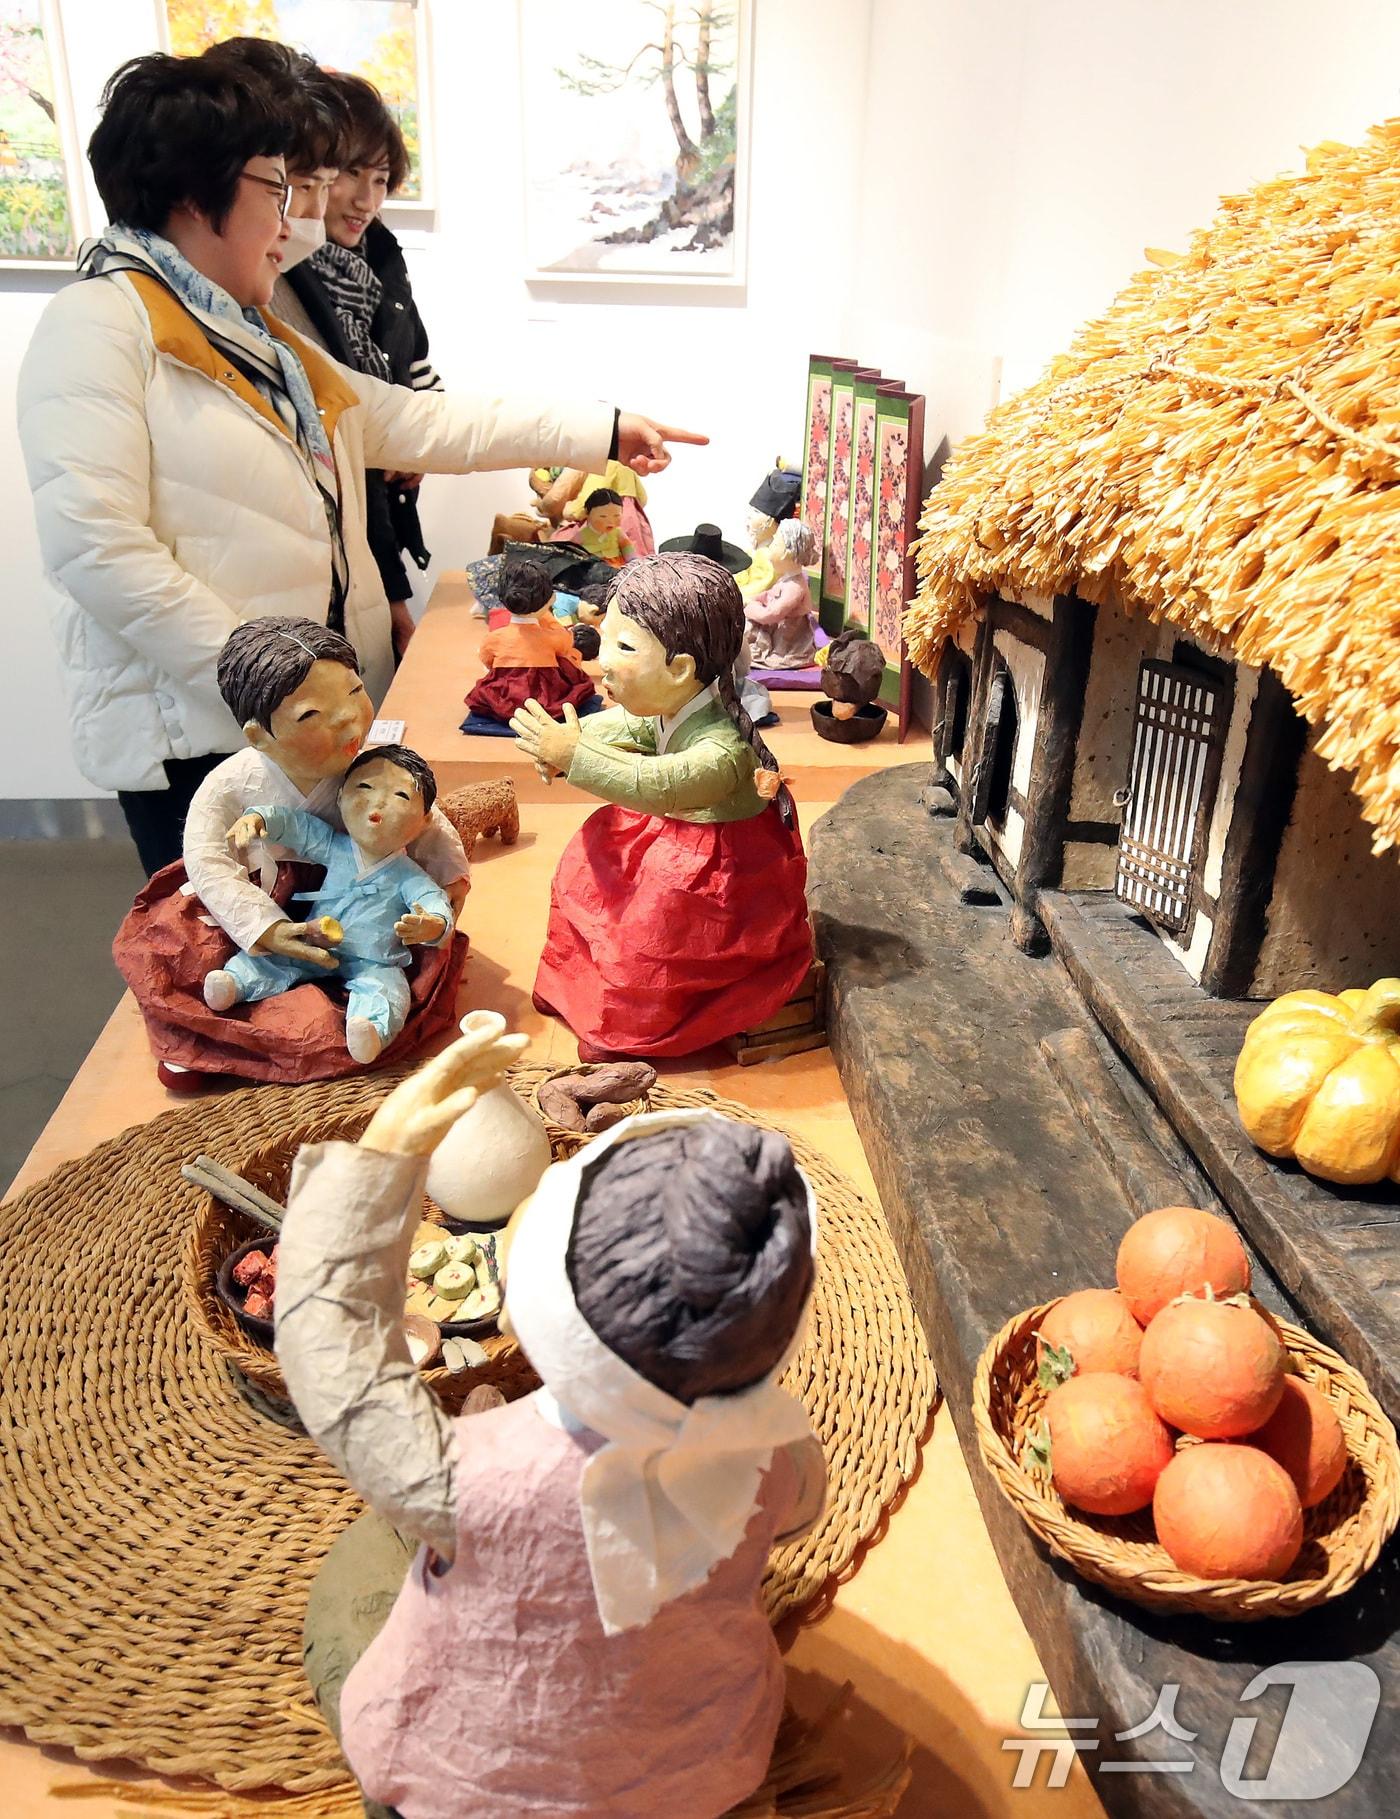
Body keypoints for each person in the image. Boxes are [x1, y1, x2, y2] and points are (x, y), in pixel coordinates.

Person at [16, 50, 704, 876]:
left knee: (343, 935)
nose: (290, 222)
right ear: (196, 196)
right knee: (236, 961)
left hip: (306, 720)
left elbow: (420, 421)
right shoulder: (99, 326)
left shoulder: (254, 336)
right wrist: (285, 687)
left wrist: (604, 427)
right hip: (209, 737)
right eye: (276, 190)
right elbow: (99, 553)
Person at [281, 1013, 825, 1819]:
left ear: (546, 1298)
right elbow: (794, 1519)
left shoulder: (464, 1474)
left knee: (360, 1569)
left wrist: (382, 1156)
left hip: (476, 1787)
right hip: (694, 1775)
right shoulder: (780, 1449)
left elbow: (333, 1356)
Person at [512, 554, 814, 1060]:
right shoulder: (672, 708)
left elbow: (658, 783)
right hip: (663, 842)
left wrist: (575, 756)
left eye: (624, 646)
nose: (603, 659)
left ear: (680, 669)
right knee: (581, 880)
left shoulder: (723, 748)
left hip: (715, 877)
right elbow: (626, 729)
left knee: (646, 945)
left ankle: (631, 1027)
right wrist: (567, 740)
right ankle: (578, 988)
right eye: (605, 638)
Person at [276, 71, 440, 662]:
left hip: (381, 525)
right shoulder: (281, 277)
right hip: (330, 542)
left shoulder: (381, 262)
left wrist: (419, 442)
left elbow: (419, 372)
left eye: (380, 180)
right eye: (347, 174)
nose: (364, 200)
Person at [207, 744, 453, 1065]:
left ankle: (370, 1029)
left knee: (389, 989)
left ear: (424, 821)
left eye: (400, 796)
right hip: (313, 939)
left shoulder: (408, 875)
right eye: (364, 787)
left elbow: (433, 900)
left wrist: (433, 923)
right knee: (277, 954)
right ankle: (233, 981)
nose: (378, 802)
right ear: (340, 798)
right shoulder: (335, 847)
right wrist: (260, 817)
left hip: (374, 959)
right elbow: (300, 828)